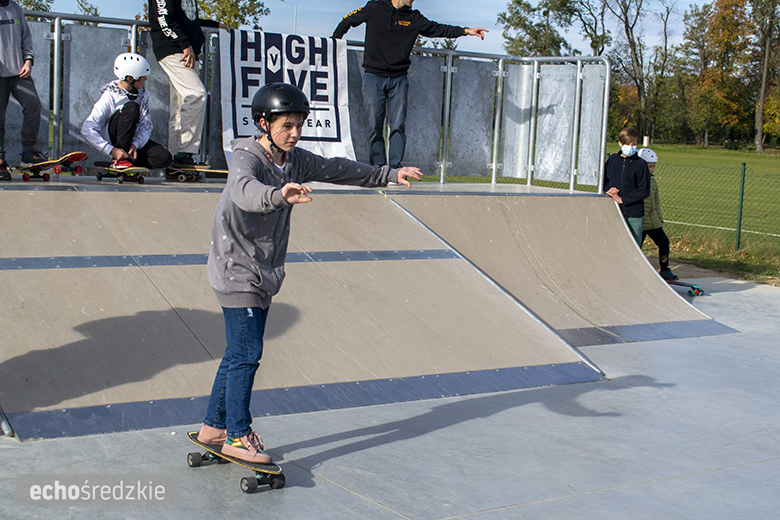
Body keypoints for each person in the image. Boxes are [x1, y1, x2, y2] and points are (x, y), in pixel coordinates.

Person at [196, 83, 422, 463]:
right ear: (263, 123)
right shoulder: (246, 158)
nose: (295, 133)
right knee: (248, 352)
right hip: (235, 266)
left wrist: (389, 173)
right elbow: (244, 192)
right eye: (286, 126)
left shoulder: (295, 160)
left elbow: (340, 169)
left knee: (238, 351)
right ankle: (237, 434)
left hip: (263, 268)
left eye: (299, 125)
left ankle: (213, 427)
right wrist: (278, 196)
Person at [332, 0, 487, 169]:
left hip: (399, 80)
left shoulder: (414, 18)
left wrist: (466, 31)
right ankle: (378, 168)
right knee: (374, 126)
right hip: (373, 77)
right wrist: (331, 45)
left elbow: (438, 29)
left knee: (397, 126)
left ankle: (395, 169)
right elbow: (347, 21)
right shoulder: (375, 8)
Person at [148, 0, 220, 167]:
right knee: (196, 94)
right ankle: (185, 152)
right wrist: (185, 44)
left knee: (180, 107)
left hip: (187, 52)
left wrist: (215, 25)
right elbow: (163, 18)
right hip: (176, 51)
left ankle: (175, 161)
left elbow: (188, 19)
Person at [81, 53, 172, 170]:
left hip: (132, 139)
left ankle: (129, 161)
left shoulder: (142, 94)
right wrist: (111, 150)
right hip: (114, 140)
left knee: (164, 157)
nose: (146, 79)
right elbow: (87, 129)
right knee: (132, 107)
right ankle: (119, 160)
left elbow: (146, 126)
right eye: (142, 76)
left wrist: (135, 144)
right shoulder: (110, 95)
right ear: (130, 78)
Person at [0, 0, 47, 180]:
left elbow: (26, 36)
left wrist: (28, 59)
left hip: (19, 71)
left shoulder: (15, 8)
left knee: (33, 105)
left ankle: (28, 151)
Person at [604, 127, 650, 246]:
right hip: (613, 210)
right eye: (628, 144)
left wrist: (623, 200)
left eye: (634, 144)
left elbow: (644, 190)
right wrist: (608, 190)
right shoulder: (612, 160)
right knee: (613, 244)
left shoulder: (641, 164)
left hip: (634, 214)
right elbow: (603, 180)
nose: (631, 147)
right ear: (620, 143)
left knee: (634, 245)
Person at [638, 148, 678, 281]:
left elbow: (656, 202)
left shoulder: (653, 182)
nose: (652, 169)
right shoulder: (636, 181)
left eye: (653, 166)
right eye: (649, 166)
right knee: (637, 247)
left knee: (664, 242)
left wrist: (660, 219)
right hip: (640, 221)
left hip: (653, 221)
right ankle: (635, 270)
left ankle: (665, 269)